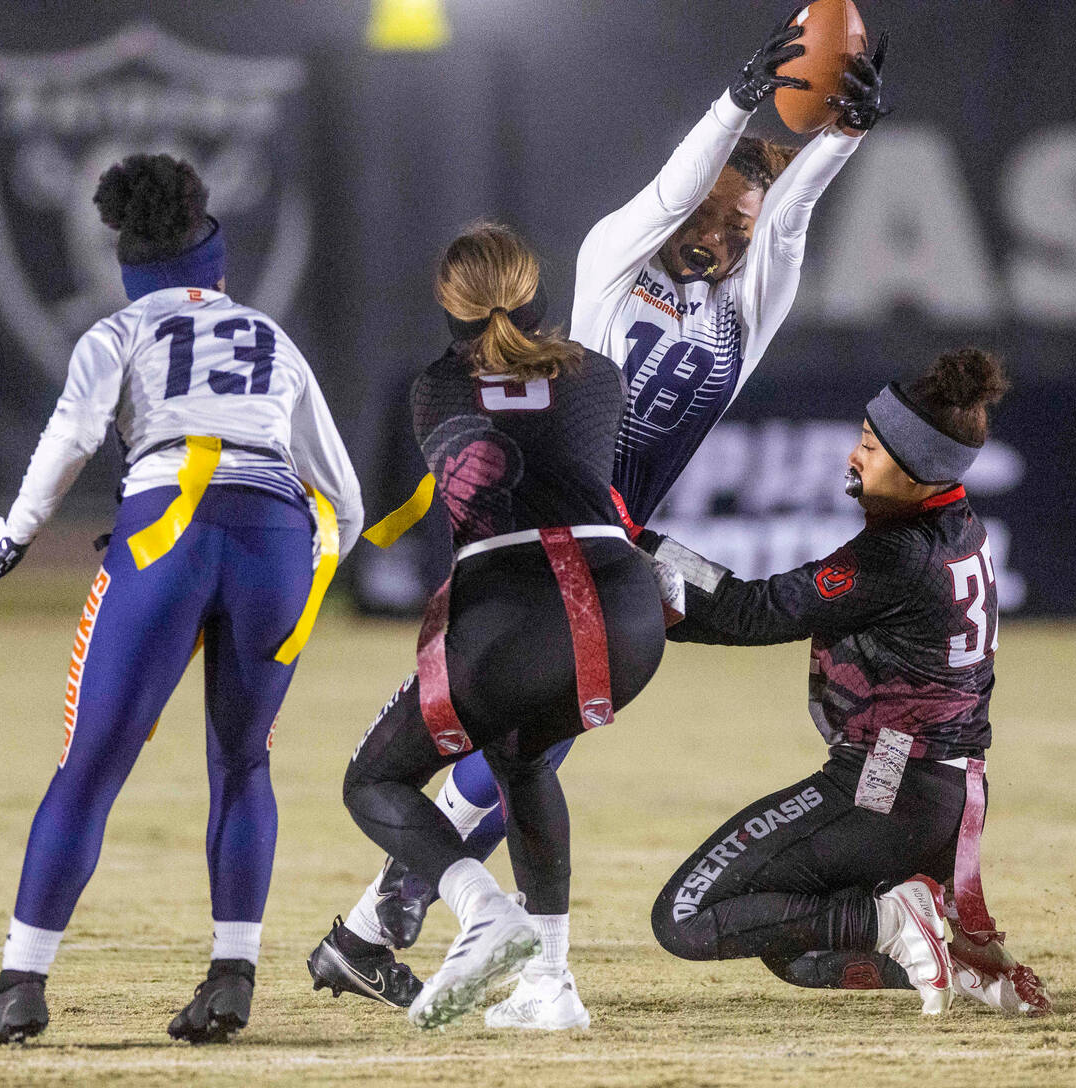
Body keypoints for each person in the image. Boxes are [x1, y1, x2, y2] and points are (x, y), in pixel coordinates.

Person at [320, 6, 891, 1025]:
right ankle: (381, 928)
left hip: (615, 551)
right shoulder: (612, 265)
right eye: (712, 218)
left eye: (738, 227)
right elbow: (673, 191)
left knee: (518, 755)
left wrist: (842, 136)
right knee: (509, 753)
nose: (722, 237)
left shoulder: (743, 309)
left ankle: (381, 926)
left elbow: (791, 224)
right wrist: (736, 103)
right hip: (550, 541)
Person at [0, 154, 363, 1045]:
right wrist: (310, 581)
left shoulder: (116, 334)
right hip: (274, 544)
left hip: (166, 531)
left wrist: (15, 534)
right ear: (214, 265)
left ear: (132, 267)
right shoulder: (271, 336)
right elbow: (346, 499)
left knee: (90, 769)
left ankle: (21, 986)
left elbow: (71, 435)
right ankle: (232, 977)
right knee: (244, 763)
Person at [311, 224, 666, 1030]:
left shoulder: (431, 388)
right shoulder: (600, 378)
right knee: (525, 760)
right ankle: (550, 983)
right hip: (627, 616)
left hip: (514, 618)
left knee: (373, 779)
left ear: (451, 305)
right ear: (534, 290)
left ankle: (483, 911)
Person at [643, 349, 1050, 1016]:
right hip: (941, 792)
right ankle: (951, 966)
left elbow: (751, 607)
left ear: (919, 466)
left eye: (870, 446)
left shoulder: (898, 556)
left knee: (686, 916)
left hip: (887, 782)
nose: (853, 459)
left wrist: (645, 548)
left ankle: (897, 920)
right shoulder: (957, 527)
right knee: (798, 946)